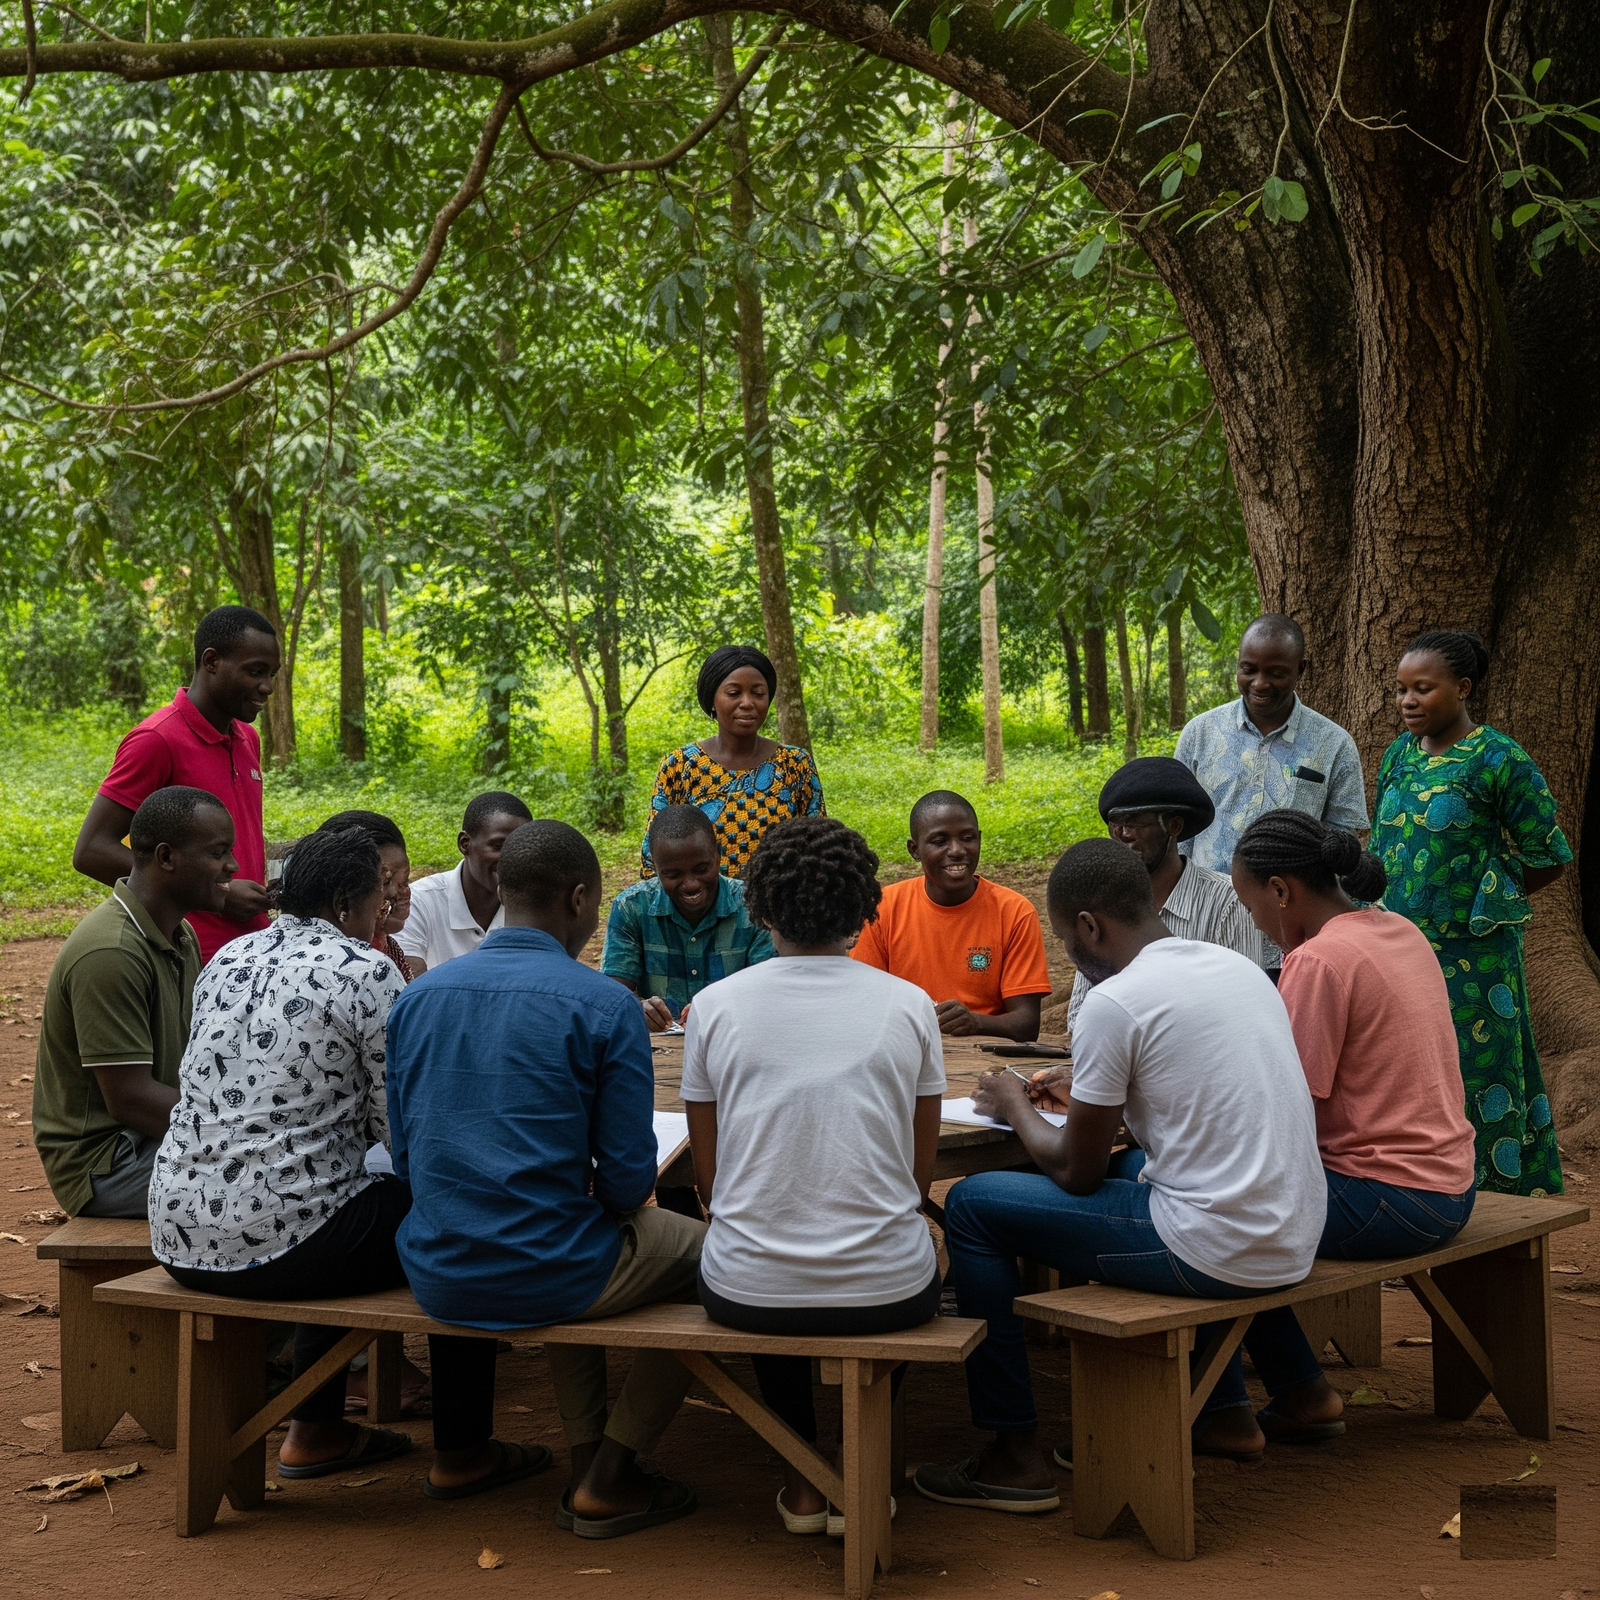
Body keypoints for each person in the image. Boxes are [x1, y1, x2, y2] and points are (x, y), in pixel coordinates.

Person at [913, 839, 1324, 1512]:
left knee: (973, 1204)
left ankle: (1013, 1453)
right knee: (1134, 1165)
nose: (1071, 957)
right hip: (1294, 1227)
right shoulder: (1235, 967)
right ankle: (1235, 1407)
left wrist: (1015, 1102)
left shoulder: (1117, 1001)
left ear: (1090, 927)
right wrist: (1088, 1085)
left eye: (1065, 941)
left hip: (1216, 1245)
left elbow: (1076, 1172)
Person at [148, 827, 529, 1494]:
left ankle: (318, 1427)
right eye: (383, 904)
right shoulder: (366, 970)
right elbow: (406, 1130)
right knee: (455, 1218)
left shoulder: (227, 958)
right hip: (279, 1245)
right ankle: (465, 1449)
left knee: (331, 1193)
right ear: (355, 905)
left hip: (178, 1232)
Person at [386, 819, 706, 1538]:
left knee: (571, 1228)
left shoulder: (418, 998)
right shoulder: (602, 1004)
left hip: (438, 1268)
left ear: (500, 889)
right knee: (731, 1264)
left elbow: (407, 1161)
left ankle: (589, 1455)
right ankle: (613, 1469)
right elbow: (627, 1187)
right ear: (582, 897)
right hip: (551, 1268)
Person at [685, 816, 945, 1534]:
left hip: (747, 1288)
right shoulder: (910, 1005)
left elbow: (709, 1186)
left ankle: (804, 1475)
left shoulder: (712, 1008)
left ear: (759, 907)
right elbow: (919, 1181)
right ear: (867, 910)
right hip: (889, 1289)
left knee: (766, 1251)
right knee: (918, 1253)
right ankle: (870, 1469)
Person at [1225, 809, 1478, 1441]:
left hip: (1388, 1197)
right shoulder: (1398, 929)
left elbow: (1287, 1111)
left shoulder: (1317, 962)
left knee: (1213, 1222)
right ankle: (1298, 1389)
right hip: (1451, 1185)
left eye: (1253, 907)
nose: (1256, 923)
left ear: (1281, 890)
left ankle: (1224, 1410)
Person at [1372, 629, 1571, 1196]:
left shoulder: (1499, 758)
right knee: (1411, 1071)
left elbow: (1548, 856)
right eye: (1402, 689)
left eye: (1423, 689)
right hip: (1400, 948)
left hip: (1474, 955)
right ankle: (1423, 1189)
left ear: (1461, 688)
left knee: (1480, 1071)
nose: (1408, 701)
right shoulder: (1398, 755)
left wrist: (1485, 898)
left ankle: (1495, 1201)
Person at [33, 788, 236, 1218]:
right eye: (219, 853)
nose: (232, 867)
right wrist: (238, 1131)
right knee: (277, 1177)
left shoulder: (181, 935)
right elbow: (129, 1098)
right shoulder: (112, 952)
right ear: (166, 858)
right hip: (107, 1164)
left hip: (158, 1135)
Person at [73, 605, 280, 964]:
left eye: (272, 674)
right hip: (188, 956)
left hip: (251, 950)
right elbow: (91, 850)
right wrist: (218, 893)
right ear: (211, 661)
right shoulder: (156, 740)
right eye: (255, 671)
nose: (268, 686)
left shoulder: (247, 737)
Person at [1175, 615, 1368, 973]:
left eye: (1276, 673)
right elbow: (1179, 834)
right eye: (1249, 669)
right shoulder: (1200, 734)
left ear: (1301, 670)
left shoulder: (1333, 744)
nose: (1260, 683)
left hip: (1292, 940)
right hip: (1206, 933)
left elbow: (1343, 842)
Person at [1065, 758, 1262, 1034]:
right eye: (1115, 825)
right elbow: (1079, 1016)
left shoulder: (1227, 902)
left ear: (1174, 826)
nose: (1123, 836)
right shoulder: (1104, 905)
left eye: (1134, 824)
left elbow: (1246, 1010)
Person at [850, 791, 1052, 1042]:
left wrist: (974, 1021)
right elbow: (864, 1006)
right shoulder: (882, 908)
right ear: (915, 849)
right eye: (939, 841)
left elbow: (1026, 1024)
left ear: (979, 840)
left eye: (967, 838)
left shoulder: (1014, 911)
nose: (957, 850)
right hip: (905, 1049)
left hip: (987, 1058)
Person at [643, 645, 824, 879]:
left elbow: (819, 848)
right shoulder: (680, 766)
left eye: (758, 693)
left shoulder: (794, 764)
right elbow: (653, 857)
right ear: (712, 700)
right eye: (733, 693)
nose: (747, 702)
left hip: (778, 909)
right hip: (699, 910)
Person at [602, 805, 773, 1031]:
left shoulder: (753, 906)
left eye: (702, 869)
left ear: (718, 854)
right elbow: (611, 995)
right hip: (659, 1052)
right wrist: (638, 1008)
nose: (691, 884)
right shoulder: (632, 907)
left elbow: (771, 991)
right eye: (673, 874)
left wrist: (719, 1009)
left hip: (734, 1043)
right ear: (656, 867)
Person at [395, 791, 532, 975]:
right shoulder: (419, 903)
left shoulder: (531, 906)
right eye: (498, 846)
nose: (511, 858)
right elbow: (412, 988)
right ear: (464, 843)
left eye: (521, 848)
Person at [318, 809, 415, 981]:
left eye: (405, 882)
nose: (399, 893)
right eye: (386, 882)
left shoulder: (390, 950)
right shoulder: (328, 962)